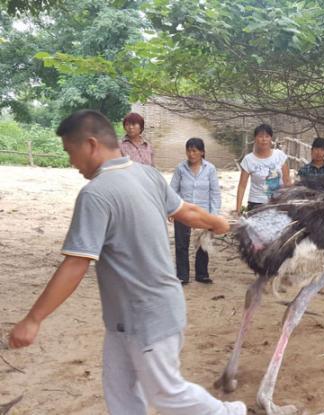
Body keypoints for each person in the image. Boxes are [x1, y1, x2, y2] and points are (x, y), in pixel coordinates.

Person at [8, 110, 246, 415]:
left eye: (70, 151)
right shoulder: (146, 174)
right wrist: (217, 222)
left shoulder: (95, 194)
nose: (70, 161)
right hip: (125, 318)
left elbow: (75, 265)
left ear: (91, 144)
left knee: (167, 395)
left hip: (149, 315)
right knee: (120, 396)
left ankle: (230, 413)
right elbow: (186, 211)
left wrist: (33, 319)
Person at [170, 138, 221, 285]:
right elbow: (172, 190)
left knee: (203, 243)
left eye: (195, 151)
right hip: (183, 210)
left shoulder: (210, 169)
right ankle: (182, 275)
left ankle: (202, 274)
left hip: (203, 212)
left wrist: (214, 214)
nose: (191, 154)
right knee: (181, 244)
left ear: (202, 152)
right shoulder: (180, 168)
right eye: (189, 150)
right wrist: (172, 210)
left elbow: (215, 192)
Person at [236, 123, 291, 214]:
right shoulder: (248, 160)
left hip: (278, 202)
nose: (264, 139)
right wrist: (238, 209)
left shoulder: (279, 156)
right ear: (255, 138)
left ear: (271, 138)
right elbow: (242, 185)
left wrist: (289, 202)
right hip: (256, 203)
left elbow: (287, 181)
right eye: (260, 136)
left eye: (267, 136)